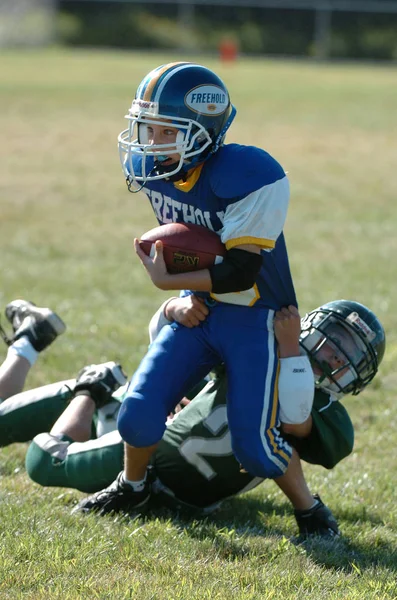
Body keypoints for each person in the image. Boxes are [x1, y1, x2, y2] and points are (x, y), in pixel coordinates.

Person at [1, 296, 383, 538]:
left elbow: (293, 415)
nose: (334, 356)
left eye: (347, 355)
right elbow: (170, 337)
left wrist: (287, 349)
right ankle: (87, 387)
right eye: (334, 340)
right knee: (43, 462)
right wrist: (172, 308)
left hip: (169, 473)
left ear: (357, 376)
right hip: (147, 445)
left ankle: (41, 348)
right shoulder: (257, 349)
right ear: (312, 327)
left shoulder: (329, 418)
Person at [104, 61, 300, 511]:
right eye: (146, 129)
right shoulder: (160, 168)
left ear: (200, 131)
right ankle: (132, 488)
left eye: (161, 131)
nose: (148, 142)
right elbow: (191, 247)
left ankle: (309, 508)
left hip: (256, 318)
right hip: (200, 309)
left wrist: (166, 282)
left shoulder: (251, 173)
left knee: (256, 449)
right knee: (136, 417)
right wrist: (181, 296)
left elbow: (239, 272)